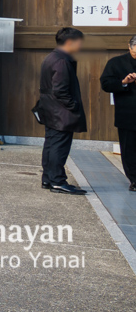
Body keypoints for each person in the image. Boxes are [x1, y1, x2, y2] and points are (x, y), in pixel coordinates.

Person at [35, 26, 88, 194]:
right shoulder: (62, 61)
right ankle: (57, 181)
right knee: (59, 146)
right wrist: (74, 106)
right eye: (79, 42)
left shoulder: (51, 57)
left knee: (51, 144)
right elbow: (60, 90)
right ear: (70, 42)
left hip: (51, 110)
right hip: (61, 112)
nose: (80, 46)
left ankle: (48, 179)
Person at [99, 34, 136, 191]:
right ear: (130, 46)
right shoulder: (116, 63)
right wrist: (123, 82)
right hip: (127, 114)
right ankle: (134, 180)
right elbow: (106, 84)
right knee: (129, 149)